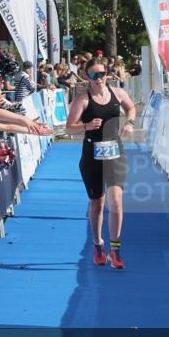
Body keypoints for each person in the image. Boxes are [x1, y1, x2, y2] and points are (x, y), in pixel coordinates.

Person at [65, 57, 136, 269]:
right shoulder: (82, 99)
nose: (99, 78)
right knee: (97, 204)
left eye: (102, 74)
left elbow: (131, 108)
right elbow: (69, 128)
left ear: (107, 74)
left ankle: (115, 249)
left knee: (116, 201)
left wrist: (130, 123)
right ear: (87, 77)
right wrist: (86, 126)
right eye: (94, 75)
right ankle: (98, 244)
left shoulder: (118, 93)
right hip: (92, 157)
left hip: (115, 153)